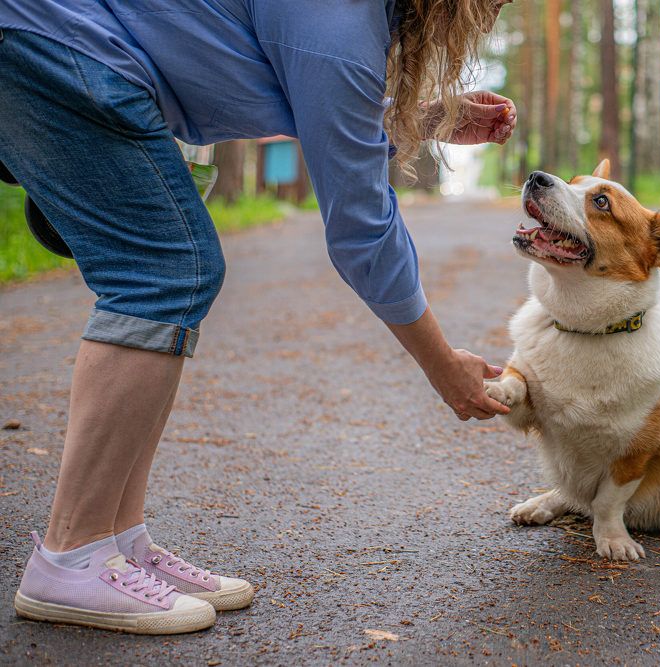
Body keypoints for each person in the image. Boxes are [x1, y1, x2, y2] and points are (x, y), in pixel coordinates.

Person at [0, 0, 517, 635]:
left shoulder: (339, 23)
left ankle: (115, 542)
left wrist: (426, 117)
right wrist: (442, 365)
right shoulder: (342, 21)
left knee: (168, 271)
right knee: (165, 271)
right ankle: (71, 555)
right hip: (52, 43)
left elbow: (314, 92)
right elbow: (362, 229)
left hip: (47, 38)